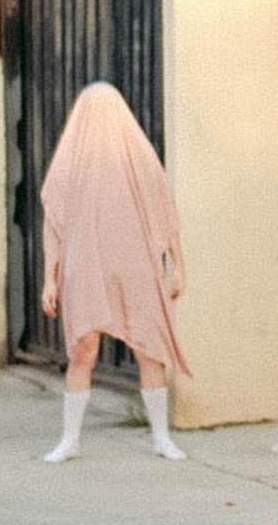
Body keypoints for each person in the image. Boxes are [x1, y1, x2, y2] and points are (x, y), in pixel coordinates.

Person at [36, 82, 192, 462]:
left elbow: (165, 216)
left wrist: (177, 267)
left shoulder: (139, 159)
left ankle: (161, 438)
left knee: (147, 349)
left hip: (134, 264)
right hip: (85, 266)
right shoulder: (69, 163)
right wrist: (50, 277)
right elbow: (53, 223)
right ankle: (70, 440)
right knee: (83, 348)